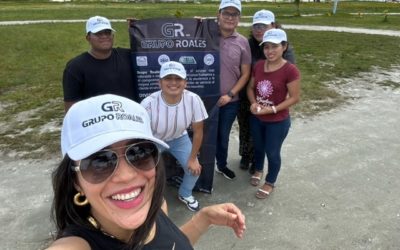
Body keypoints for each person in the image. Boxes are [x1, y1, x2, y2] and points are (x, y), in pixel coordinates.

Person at [46, 94, 245, 250]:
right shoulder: (76, 245)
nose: (127, 175)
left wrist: (203, 220)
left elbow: (168, 245)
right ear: (75, 180)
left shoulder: (157, 205)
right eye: (99, 162)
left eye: (139, 153)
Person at [140, 61, 208, 212]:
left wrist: (192, 159)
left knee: (194, 169)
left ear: (185, 83)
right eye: (168, 78)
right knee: (146, 174)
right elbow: (140, 135)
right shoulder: (148, 104)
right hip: (154, 141)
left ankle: (185, 194)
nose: (173, 83)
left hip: (179, 138)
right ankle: (149, 201)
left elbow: (198, 131)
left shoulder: (193, 99)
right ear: (160, 82)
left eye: (178, 79)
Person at [238, 9, 296, 174]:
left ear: (273, 26)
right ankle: (246, 155)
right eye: (256, 26)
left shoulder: (283, 49)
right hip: (247, 96)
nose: (258, 29)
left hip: (270, 102)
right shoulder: (248, 44)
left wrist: (272, 106)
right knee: (246, 128)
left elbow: (287, 78)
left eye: (263, 26)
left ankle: (258, 163)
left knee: (264, 135)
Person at [247, 29, 301, 199]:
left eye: (275, 47)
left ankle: (270, 181)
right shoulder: (258, 66)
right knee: (258, 147)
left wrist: (272, 109)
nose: (270, 51)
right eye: (266, 47)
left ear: (284, 47)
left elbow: (294, 98)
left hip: (277, 121)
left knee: (272, 152)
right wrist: (253, 103)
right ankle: (258, 169)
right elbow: (250, 88)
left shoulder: (290, 70)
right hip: (258, 118)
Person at [62, 16, 138, 112]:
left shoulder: (127, 56)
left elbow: (150, 53)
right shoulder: (75, 67)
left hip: (131, 119)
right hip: (98, 124)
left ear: (113, 36)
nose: (104, 36)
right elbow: (71, 108)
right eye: (98, 33)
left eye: (107, 32)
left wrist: (139, 29)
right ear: (88, 38)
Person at [215, 0, 251, 180]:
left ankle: (221, 165)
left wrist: (230, 95)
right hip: (205, 99)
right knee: (201, 135)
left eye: (234, 14)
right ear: (218, 15)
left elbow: (245, 74)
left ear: (239, 18)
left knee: (223, 135)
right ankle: (201, 168)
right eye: (226, 13)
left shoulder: (243, 42)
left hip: (230, 101)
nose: (230, 17)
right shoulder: (206, 34)